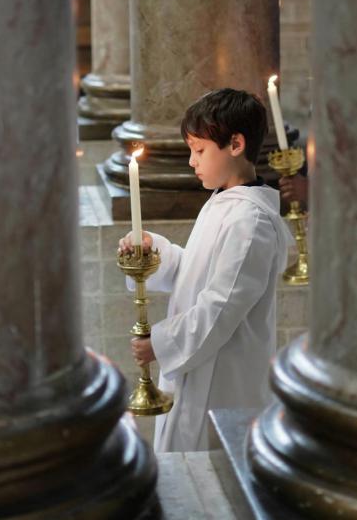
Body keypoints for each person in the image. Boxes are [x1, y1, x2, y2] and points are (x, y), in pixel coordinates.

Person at [118, 88, 292, 452]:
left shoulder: (251, 221)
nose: (191, 162)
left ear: (236, 144)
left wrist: (160, 345)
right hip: (200, 368)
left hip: (223, 382)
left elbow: (220, 308)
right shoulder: (222, 202)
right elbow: (194, 272)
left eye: (199, 150)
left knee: (211, 482)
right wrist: (155, 253)